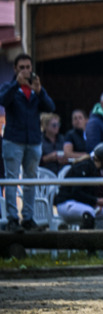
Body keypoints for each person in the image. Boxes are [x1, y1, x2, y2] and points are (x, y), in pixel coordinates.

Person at [1, 53, 56, 231]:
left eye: (28, 67)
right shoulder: (9, 87)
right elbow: (3, 100)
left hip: (33, 141)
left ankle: (28, 217)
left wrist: (40, 91)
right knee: (11, 180)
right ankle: (12, 218)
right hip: (13, 140)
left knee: (31, 180)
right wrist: (16, 84)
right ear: (15, 69)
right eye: (22, 68)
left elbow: (50, 107)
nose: (25, 71)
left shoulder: (35, 90)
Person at [54, 142, 103, 229]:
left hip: (85, 204)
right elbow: (76, 193)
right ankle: (85, 237)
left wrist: (100, 200)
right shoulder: (84, 166)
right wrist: (95, 201)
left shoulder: (96, 169)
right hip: (67, 203)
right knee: (89, 212)